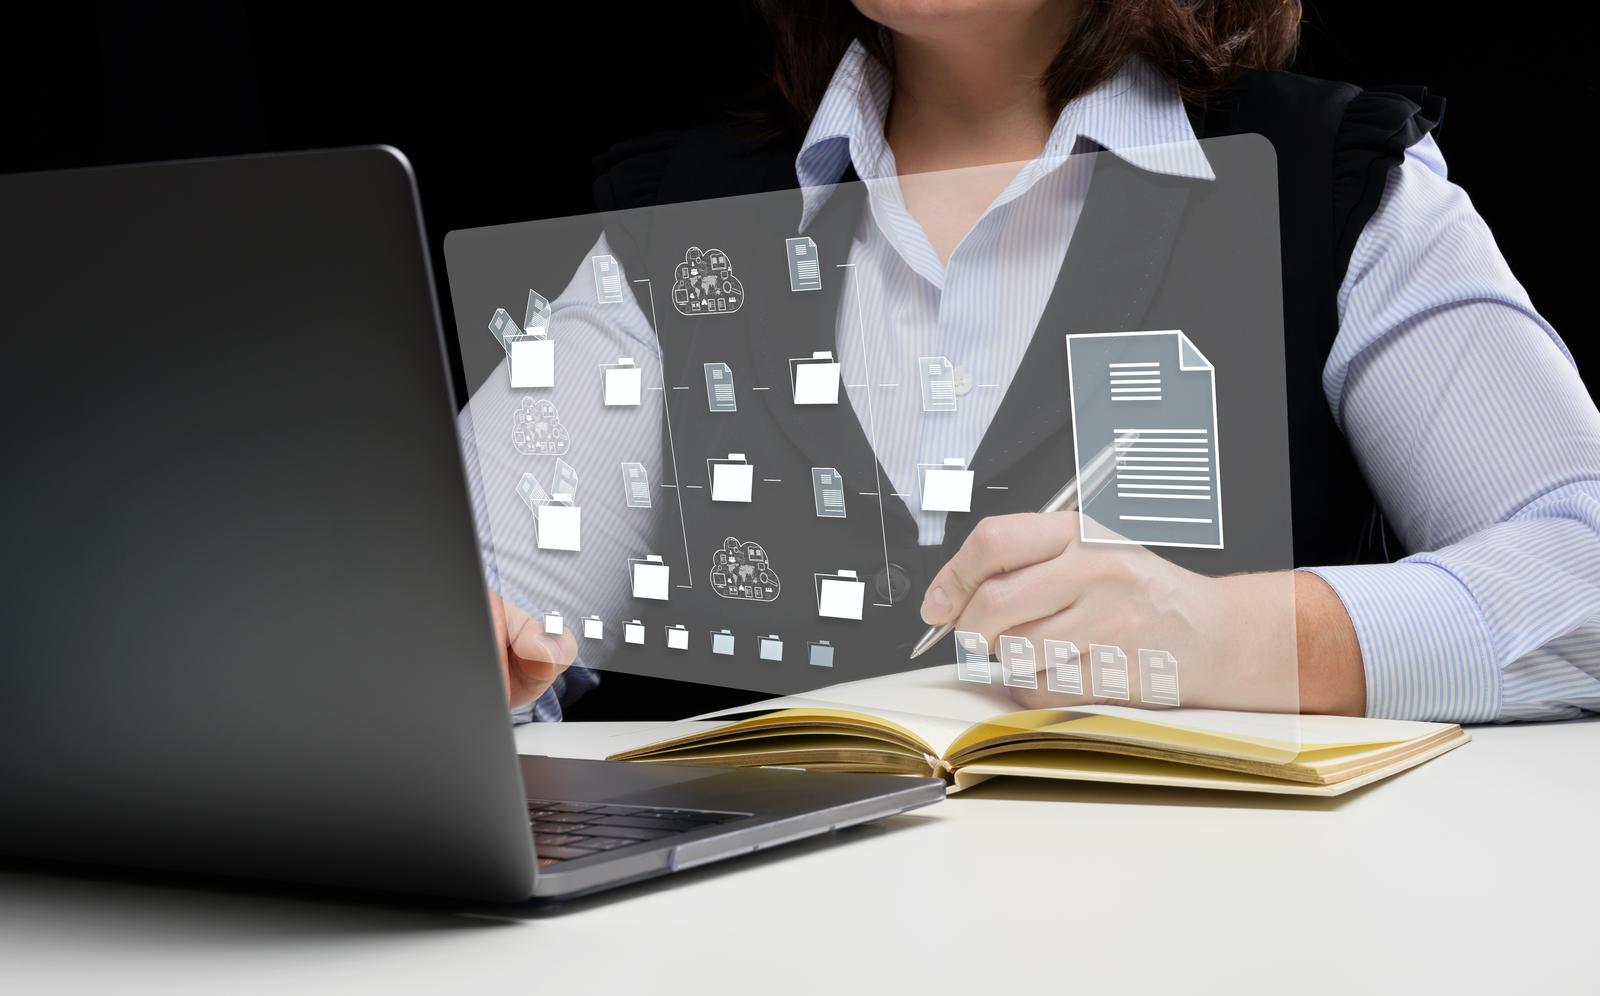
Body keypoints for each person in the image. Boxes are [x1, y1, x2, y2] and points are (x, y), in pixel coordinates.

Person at [490, 0, 1600, 723]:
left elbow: (1583, 575)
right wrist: (457, 668)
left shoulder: (1332, 186)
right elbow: (478, 616)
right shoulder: (674, 229)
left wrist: (1237, 636)